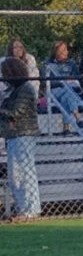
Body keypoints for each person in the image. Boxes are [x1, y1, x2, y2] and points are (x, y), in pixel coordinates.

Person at [0, 57, 41, 221]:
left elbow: (17, 112)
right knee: (15, 175)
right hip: (13, 135)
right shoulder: (13, 90)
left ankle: (31, 209)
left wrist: (1, 111)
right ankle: (23, 208)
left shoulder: (26, 88)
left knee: (25, 172)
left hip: (24, 134)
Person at [44, 40, 83, 135]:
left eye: (66, 49)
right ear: (56, 52)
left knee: (67, 96)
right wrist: (62, 82)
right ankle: (78, 118)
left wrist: (71, 81)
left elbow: (77, 77)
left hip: (70, 90)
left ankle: (66, 129)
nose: (67, 52)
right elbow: (47, 82)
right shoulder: (48, 64)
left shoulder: (71, 63)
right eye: (63, 50)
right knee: (68, 93)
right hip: (55, 90)